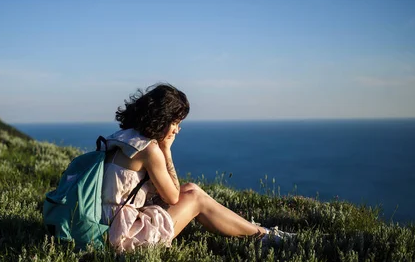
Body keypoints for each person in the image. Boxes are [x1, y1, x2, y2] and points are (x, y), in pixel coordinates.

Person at [101, 83, 294, 252]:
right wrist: (166, 150)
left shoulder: (120, 137)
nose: (177, 129)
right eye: (175, 123)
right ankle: (265, 236)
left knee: (191, 188)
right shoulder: (148, 150)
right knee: (195, 199)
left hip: (109, 223)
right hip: (124, 237)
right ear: (161, 119)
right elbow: (173, 197)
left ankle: (255, 230)